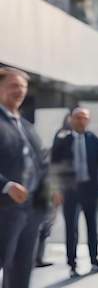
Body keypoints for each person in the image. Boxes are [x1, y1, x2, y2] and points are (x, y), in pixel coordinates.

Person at [0, 67, 49, 287]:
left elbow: (40, 164)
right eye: (13, 85)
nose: (19, 91)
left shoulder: (27, 126)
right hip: (4, 209)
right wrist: (6, 185)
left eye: (23, 86)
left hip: (31, 210)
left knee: (21, 271)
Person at [50, 107, 98, 278]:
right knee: (71, 229)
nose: (81, 121)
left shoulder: (95, 140)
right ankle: (72, 264)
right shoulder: (62, 141)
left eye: (84, 118)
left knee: (93, 227)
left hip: (91, 190)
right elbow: (54, 167)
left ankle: (94, 261)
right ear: (71, 120)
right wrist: (56, 190)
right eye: (78, 118)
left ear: (88, 120)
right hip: (70, 191)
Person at [34, 113, 71, 269]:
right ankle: (35, 258)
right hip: (47, 188)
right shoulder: (62, 136)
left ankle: (38, 257)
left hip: (54, 186)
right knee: (43, 224)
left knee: (46, 226)